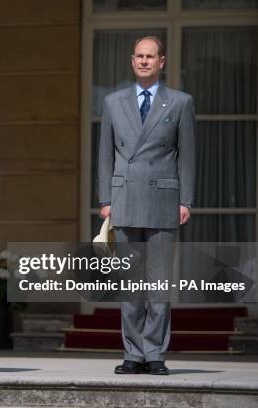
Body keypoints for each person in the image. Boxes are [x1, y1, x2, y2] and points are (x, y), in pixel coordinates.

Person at [98, 36, 195, 375]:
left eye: (150, 56)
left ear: (161, 62)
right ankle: (132, 354)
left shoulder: (180, 102)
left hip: (162, 199)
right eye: (138, 56)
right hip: (124, 199)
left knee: (158, 284)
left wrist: (185, 200)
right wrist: (106, 199)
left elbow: (188, 156)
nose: (143, 61)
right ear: (131, 61)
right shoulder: (112, 102)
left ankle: (154, 353)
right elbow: (105, 155)